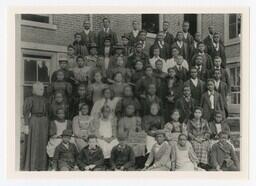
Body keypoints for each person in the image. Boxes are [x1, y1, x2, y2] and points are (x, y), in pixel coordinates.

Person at [23, 82, 49, 171]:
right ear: (35, 90)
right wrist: (26, 125)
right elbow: (26, 113)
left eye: (43, 89)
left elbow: (48, 112)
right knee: (33, 143)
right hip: (34, 121)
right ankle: (32, 166)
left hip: (44, 122)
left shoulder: (45, 100)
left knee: (43, 143)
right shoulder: (29, 99)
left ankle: (41, 166)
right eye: (40, 89)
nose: (42, 91)